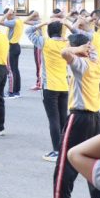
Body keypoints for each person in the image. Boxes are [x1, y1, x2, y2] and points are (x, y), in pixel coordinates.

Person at [41, 33, 100, 198]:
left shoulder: (81, 65)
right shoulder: (97, 63)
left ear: (78, 49)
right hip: (94, 118)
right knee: (93, 164)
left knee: (65, 163)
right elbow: (81, 47)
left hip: (79, 117)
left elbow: (65, 53)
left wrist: (76, 49)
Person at [27, 20, 69, 163]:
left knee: (54, 119)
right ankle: (65, 148)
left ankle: (57, 151)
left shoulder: (45, 42)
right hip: (64, 85)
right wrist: (68, 25)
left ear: (49, 31)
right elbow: (82, 36)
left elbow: (28, 31)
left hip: (50, 86)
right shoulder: (67, 43)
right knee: (63, 117)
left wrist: (43, 23)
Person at [0, 9, 32, 94]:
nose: (6, 19)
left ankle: (12, 91)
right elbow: (15, 17)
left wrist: (6, 14)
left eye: (7, 16)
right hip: (16, 46)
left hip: (12, 47)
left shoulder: (13, 22)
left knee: (10, 70)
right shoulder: (18, 21)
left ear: (9, 15)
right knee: (15, 69)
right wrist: (11, 14)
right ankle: (16, 90)